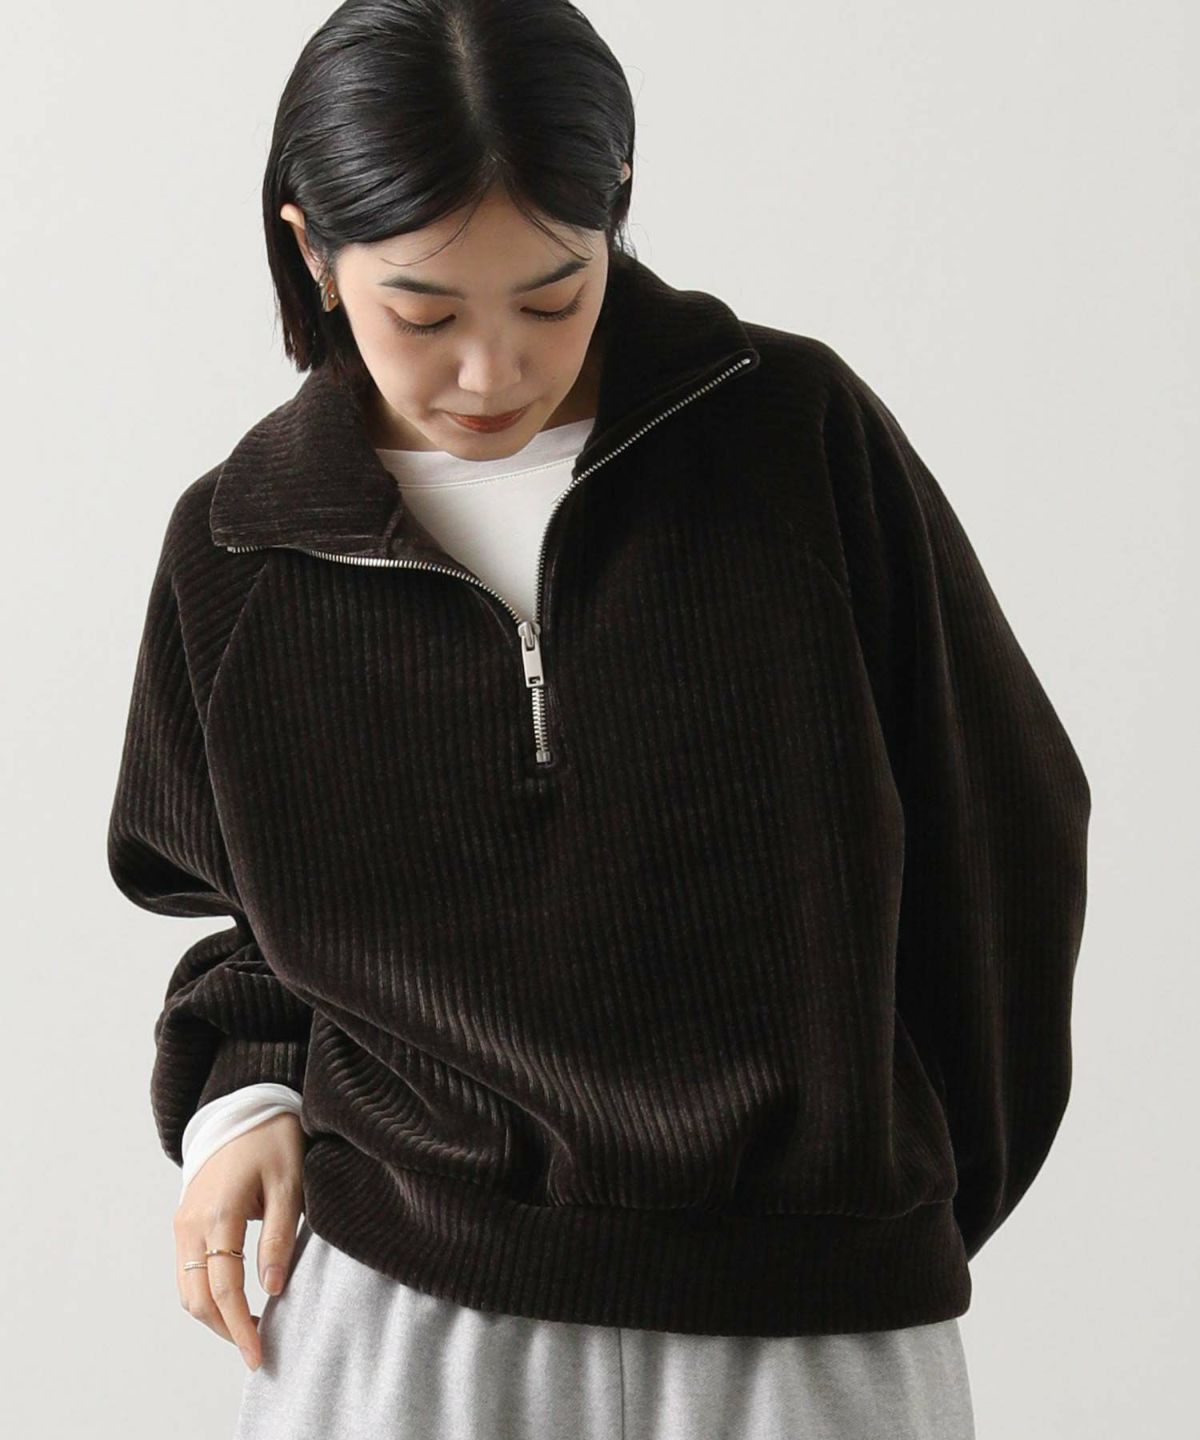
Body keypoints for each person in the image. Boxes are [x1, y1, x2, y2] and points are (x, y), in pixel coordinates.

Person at [105, 2, 1091, 1437]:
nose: (492, 370)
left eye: (553, 296)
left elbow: (1000, 829)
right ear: (312, 251)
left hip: (805, 1324)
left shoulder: (796, 442)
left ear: (618, 212)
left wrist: (882, 1200)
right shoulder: (240, 547)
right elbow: (241, 914)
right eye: (424, 313)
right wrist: (245, 1102)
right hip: (407, 1323)